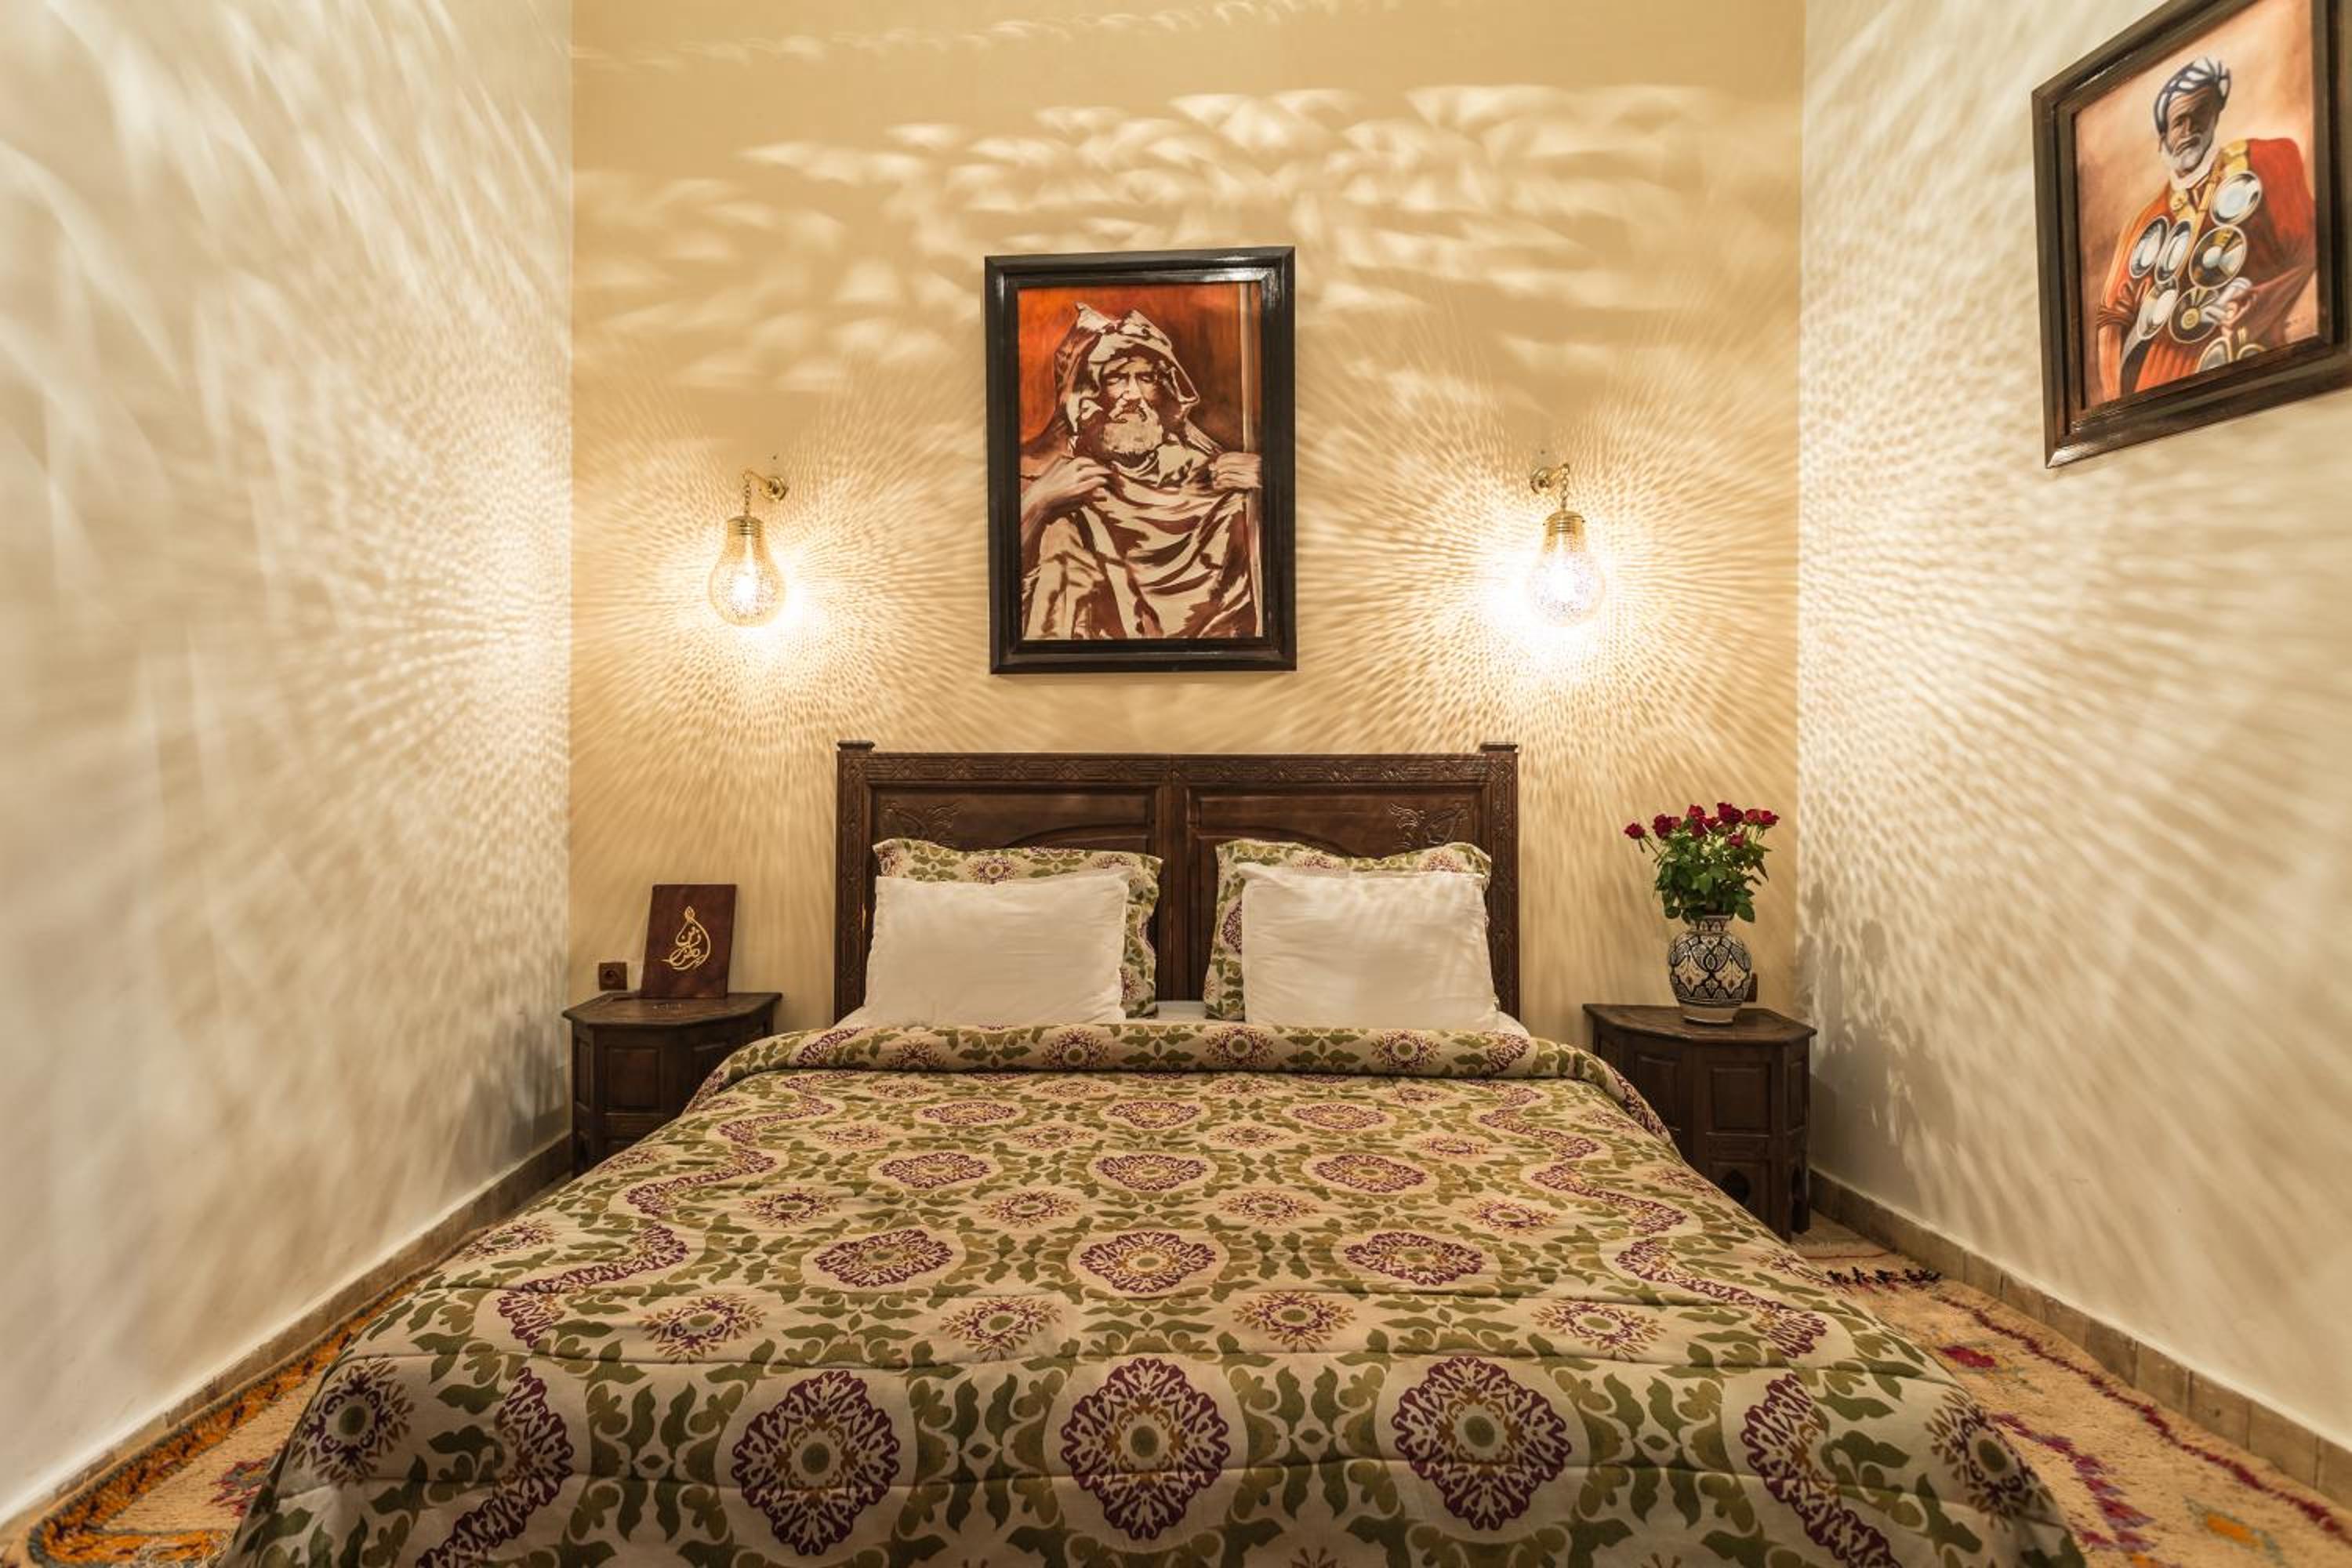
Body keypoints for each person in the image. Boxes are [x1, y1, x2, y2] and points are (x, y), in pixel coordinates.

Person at [1018, 305, 1261, 640]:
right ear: (1086, 392)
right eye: (1116, 378)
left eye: (1146, 378)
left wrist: (1272, 484)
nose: (1133, 395)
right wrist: (1036, 505)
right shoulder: (1054, 487)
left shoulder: (1215, 475)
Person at [2092, 56, 2318, 404]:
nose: (2190, 129)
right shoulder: (2142, 224)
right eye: (2179, 121)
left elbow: (2314, 249)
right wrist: (2117, 406)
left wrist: (2258, 298)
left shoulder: (2266, 160)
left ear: (2215, 117)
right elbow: (2112, 315)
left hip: (2256, 375)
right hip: (2157, 400)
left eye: (2201, 114)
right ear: (2163, 137)